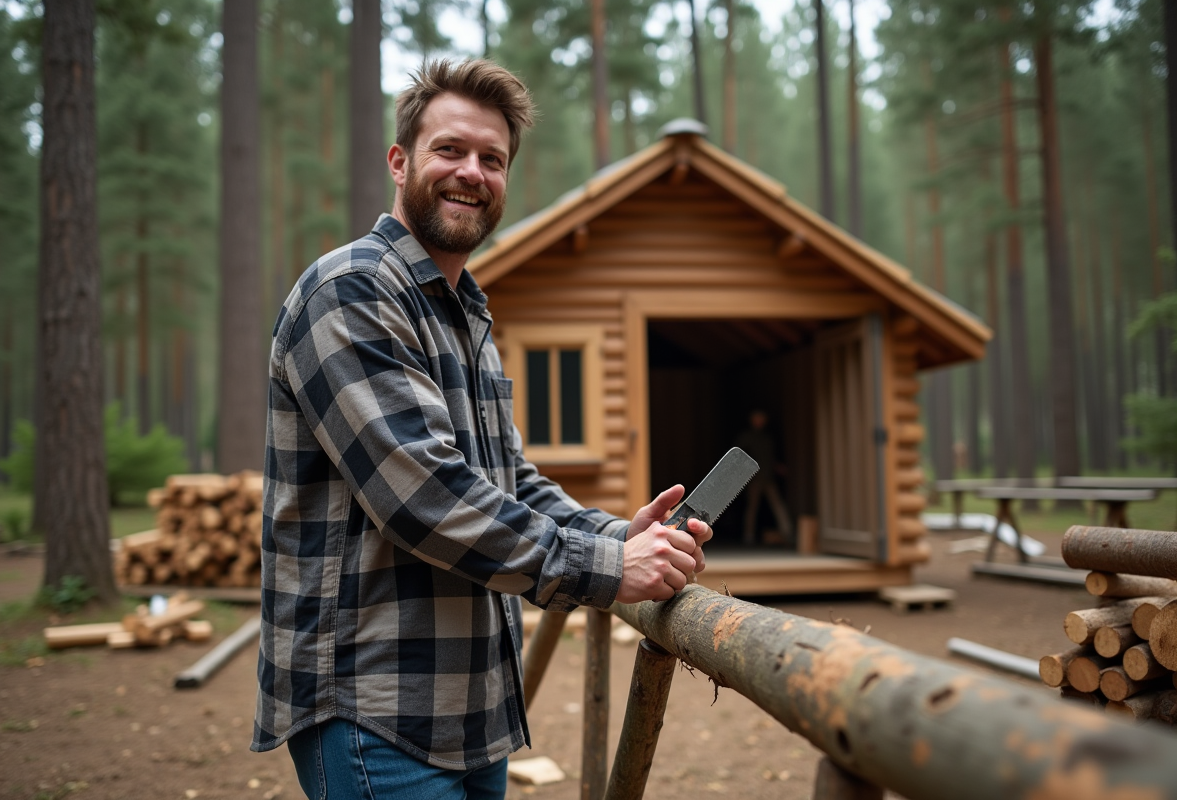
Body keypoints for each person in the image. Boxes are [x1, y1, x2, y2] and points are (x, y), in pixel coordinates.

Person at [251, 59, 713, 800]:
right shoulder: (351, 292)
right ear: (400, 162)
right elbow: (424, 494)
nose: (472, 172)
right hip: (375, 709)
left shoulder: (465, 311)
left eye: (492, 160)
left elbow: (509, 479)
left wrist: (613, 537)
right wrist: (601, 568)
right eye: (450, 150)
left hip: (474, 711)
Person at [735, 409, 792, 545]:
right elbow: (738, 457)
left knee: (778, 505)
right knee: (752, 507)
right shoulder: (746, 437)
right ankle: (748, 535)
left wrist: (778, 466)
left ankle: (788, 533)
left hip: (768, 477)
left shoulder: (768, 438)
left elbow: (770, 457)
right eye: (757, 418)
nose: (760, 421)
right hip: (754, 478)